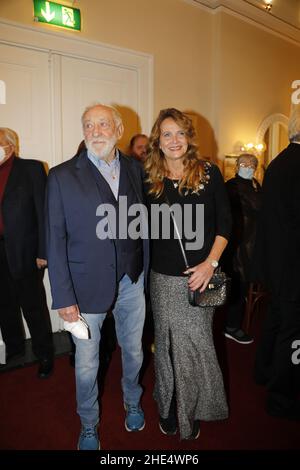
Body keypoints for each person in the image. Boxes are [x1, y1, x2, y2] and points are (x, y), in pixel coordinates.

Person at [46, 104, 149, 450]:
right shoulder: (61, 176)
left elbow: (142, 225)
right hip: (85, 288)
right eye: (88, 124)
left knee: (133, 351)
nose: (95, 131)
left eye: (103, 124)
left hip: (131, 282)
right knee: (87, 365)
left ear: (118, 129)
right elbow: (54, 240)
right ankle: (89, 423)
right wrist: (63, 298)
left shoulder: (136, 169)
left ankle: (132, 399)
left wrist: (145, 273)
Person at [144, 108, 231, 439]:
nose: (174, 140)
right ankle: (167, 405)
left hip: (202, 275)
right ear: (158, 141)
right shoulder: (148, 177)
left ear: (189, 138)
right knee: (165, 345)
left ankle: (190, 409)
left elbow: (226, 223)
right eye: (167, 134)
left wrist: (210, 263)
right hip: (163, 278)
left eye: (180, 132)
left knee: (195, 345)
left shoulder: (209, 173)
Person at [253, 106, 300, 420]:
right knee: (293, 331)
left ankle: (262, 371)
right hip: (294, 263)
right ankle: (282, 398)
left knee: (275, 319)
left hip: (275, 261)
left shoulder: (277, 163)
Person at [0, 127, 54, 378]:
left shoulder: (31, 169)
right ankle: (14, 349)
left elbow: (44, 213)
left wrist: (44, 251)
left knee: (33, 306)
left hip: (25, 251)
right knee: (4, 304)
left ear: (10, 146)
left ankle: (45, 354)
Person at [222, 153, 262, 344]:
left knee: (243, 286)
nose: (247, 166)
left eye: (251, 164)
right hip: (236, 246)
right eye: (243, 163)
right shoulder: (231, 187)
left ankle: (232, 323)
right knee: (237, 285)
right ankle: (231, 327)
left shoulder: (255, 185)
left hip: (251, 245)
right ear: (236, 166)